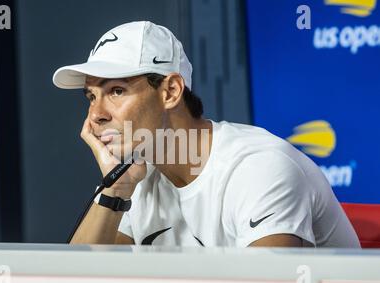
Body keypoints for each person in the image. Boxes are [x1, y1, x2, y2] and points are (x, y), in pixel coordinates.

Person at [53, 21, 360, 248]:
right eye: (91, 97)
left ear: (171, 91)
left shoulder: (259, 167)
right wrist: (114, 192)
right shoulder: (134, 180)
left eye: (116, 91)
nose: (96, 115)